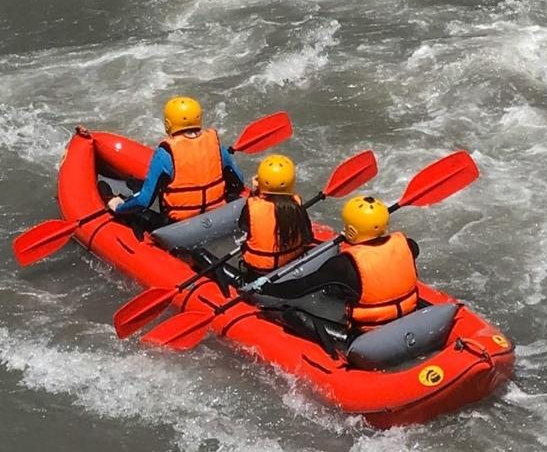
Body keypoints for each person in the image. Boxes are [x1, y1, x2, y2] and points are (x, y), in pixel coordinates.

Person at [249, 195, 420, 334]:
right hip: (407, 313)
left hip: (369, 331)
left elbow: (299, 289)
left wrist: (265, 288)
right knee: (341, 288)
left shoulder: (343, 265)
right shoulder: (407, 244)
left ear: (352, 230)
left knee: (292, 314)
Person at [108, 96, 245, 223]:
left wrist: (119, 207)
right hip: (217, 213)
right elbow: (238, 182)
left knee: (139, 200)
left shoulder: (165, 154)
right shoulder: (217, 146)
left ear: (168, 124)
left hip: (179, 224)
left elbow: (144, 201)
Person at [238, 155, 314, 282]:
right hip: (291, 264)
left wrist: (255, 192)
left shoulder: (252, 206)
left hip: (259, 270)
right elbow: (308, 238)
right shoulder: (296, 204)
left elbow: (243, 227)